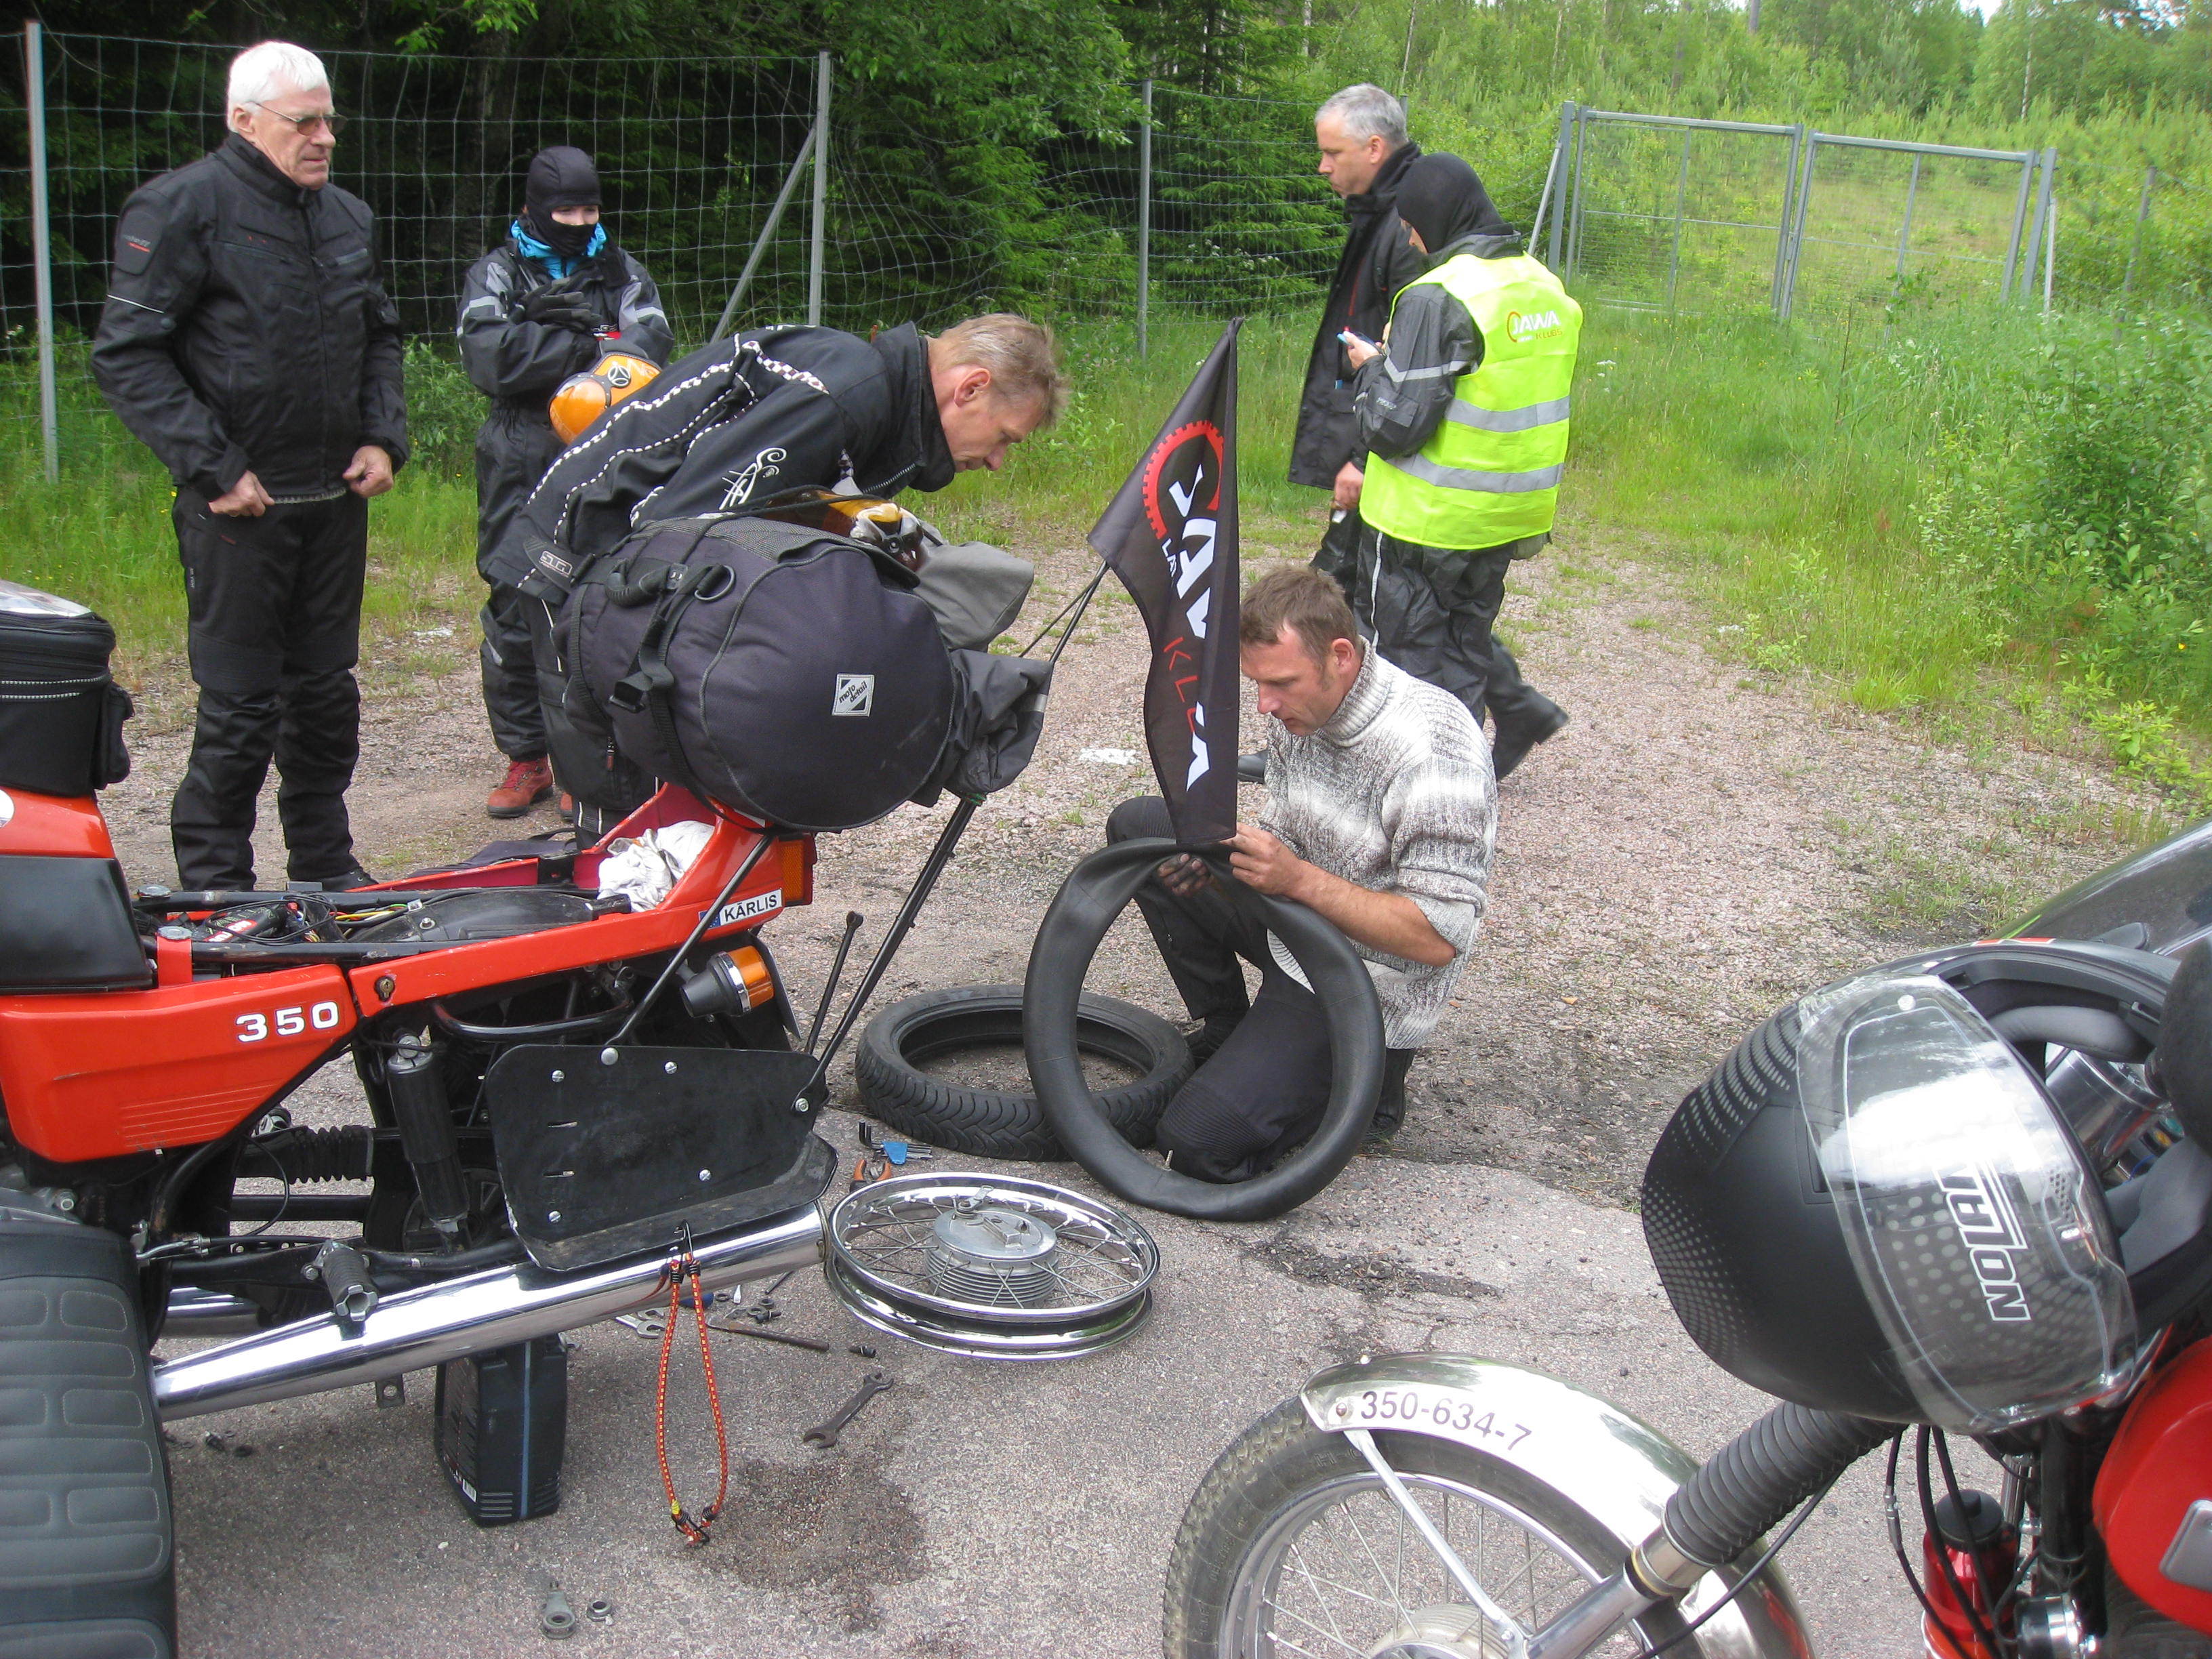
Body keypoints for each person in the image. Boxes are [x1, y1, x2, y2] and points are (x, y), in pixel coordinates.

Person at [489, 311, 1067, 834]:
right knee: (627, 795)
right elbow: (685, 532)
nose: (997, 461)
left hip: (631, 548)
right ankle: (620, 906)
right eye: (1004, 438)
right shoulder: (844, 396)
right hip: (582, 550)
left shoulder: (874, 394)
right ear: (971, 387)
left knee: (678, 757)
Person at [92, 41, 405, 892]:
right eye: (304, 122)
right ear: (243, 119)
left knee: (326, 697)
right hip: (239, 508)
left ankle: (326, 866)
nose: (324, 137)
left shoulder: (347, 217)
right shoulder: (182, 208)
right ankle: (215, 884)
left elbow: (380, 334)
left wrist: (383, 437)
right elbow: (127, 354)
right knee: (239, 709)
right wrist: (213, 466)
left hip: (333, 502)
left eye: (329, 120)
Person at [1106, 566, 1494, 1180]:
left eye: (1280, 683)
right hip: (1295, 920)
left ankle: (1371, 1083)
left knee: (1196, 1143)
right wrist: (1213, 869)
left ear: (1340, 655)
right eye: (1257, 683)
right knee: (1146, 831)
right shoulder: (1303, 709)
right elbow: (1286, 835)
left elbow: (1437, 939)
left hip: (1365, 979)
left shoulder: (1434, 752)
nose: (1265, 704)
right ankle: (1230, 1028)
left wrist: (1297, 880)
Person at [1346, 152, 1576, 780]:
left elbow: (1393, 427)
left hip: (1425, 519)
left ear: (1435, 217)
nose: (1411, 240)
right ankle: (1459, 789)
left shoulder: (1437, 297)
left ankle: (1404, 794)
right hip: (1505, 516)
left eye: (1412, 225)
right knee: (1465, 659)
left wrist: (1371, 369)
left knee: (1402, 667)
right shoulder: (1545, 288)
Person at [457, 145, 671, 819]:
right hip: (518, 452)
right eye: (566, 211)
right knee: (512, 602)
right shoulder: (497, 272)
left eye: (590, 209)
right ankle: (526, 757)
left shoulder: (622, 270)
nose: (580, 223)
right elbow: (489, 358)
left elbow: (648, 350)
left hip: (606, 451)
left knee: (600, 601)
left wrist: (550, 341)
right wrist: (584, 345)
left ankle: (591, 759)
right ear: (534, 209)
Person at [1292, 84, 1426, 590]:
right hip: (1379, 437)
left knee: (1338, 588)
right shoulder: (1376, 213)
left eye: (1333, 153)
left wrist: (1363, 459)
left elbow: (1415, 360)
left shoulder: (1410, 224)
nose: (1322, 167)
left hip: (1391, 452)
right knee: (1347, 586)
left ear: (1374, 148)